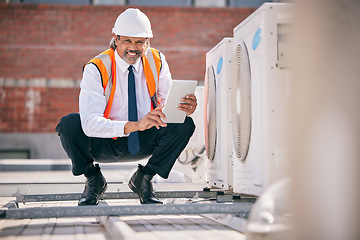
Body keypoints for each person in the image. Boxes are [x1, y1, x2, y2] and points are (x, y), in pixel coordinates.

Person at [55, 8, 197, 206]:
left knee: (184, 125)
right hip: (104, 142)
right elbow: (89, 124)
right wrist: (134, 125)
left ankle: (144, 178)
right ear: (116, 38)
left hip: (144, 140)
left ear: (148, 42)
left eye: (139, 42)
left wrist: (182, 108)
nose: (133, 48)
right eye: (127, 41)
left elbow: (166, 104)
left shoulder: (157, 60)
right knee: (69, 124)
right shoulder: (96, 67)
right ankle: (93, 180)